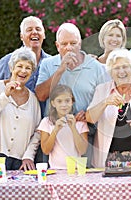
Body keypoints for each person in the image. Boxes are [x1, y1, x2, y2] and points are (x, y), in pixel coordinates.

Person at [35, 23, 106, 167]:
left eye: (73, 43)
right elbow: (41, 95)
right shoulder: (47, 64)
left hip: (84, 131)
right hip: (53, 131)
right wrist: (60, 70)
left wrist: (88, 113)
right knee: (51, 179)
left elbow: (104, 99)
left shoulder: (96, 67)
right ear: (57, 45)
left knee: (84, 179)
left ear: (80, 44)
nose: (69, 47)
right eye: (64, 44)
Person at [0, 47, 41, 171]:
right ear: (12, 68)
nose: (23, 71)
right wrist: (5, 96)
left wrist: (28, 155)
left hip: (20, 161)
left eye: (28, 68)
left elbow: (38, 131)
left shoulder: (33, 100)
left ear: (32, 72)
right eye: (19, 66)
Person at [0, 16, 50, 92]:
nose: (34, 32)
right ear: (21, 36)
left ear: (44, 35)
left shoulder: (51, 63)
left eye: (38, 29)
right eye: (29, 30)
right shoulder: (7, 61)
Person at [37, 85, 88, 169]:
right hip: (55, 170)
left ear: (72, 102)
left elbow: (82, 150)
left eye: (67, 101)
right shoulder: (46, 122)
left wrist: (73, 128)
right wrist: (55, 130)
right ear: (53, 103)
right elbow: (45, 150)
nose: (64, 105)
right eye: (59, 101)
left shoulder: (80, 123)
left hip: (75, 170)